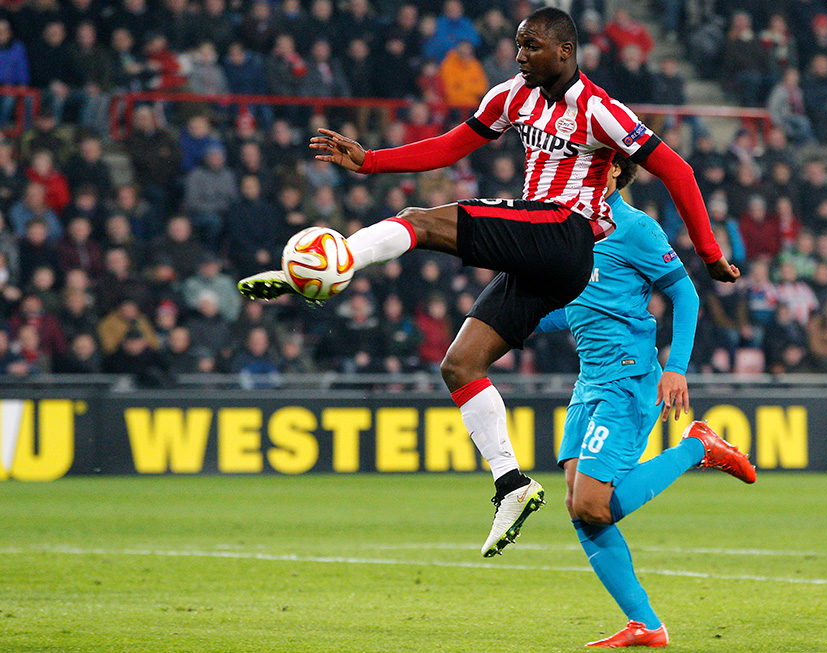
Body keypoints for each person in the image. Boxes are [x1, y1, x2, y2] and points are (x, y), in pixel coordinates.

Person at [240, 7, 739, 557]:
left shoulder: (601, 110)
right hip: (544, 255)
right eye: (518, 46)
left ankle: (329, 264)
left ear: (565, 52)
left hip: (567, 233)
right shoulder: (510, 96)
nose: (519, 55)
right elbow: (452, 146)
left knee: (418, 221)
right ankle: (511, 483)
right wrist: (373, 161)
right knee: (460, 363)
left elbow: (679, 171)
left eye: (531, 47)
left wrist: (710, 252)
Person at [533, 152, 754, 647]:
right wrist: (507, 327)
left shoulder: (637, 228)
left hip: (628, 380)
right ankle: (647, 625)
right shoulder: (570, 228)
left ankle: (698, 447)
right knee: (578, 503)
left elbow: (688, 296)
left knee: (593, 503)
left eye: (589, 161)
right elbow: (573, 307)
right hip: (589, 380)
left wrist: (675, 369)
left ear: (612, 170)